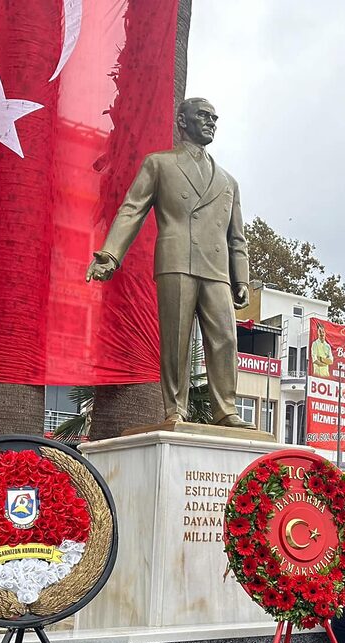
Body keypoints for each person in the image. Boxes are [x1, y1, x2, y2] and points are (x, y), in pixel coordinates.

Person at [86, 98, 252, 428]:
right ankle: (176, 408)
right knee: (175, 339)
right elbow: (132, 209)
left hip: (217, 269)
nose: (211, 123)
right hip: (177, 259)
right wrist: (110, 254)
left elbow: (237, 237)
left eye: (214, 119)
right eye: (203, 116)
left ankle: (226, 409)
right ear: (182, 122)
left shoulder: (228, 182)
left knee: (226, 338)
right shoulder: (159, 164)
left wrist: (242, 278)